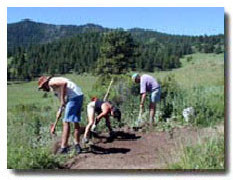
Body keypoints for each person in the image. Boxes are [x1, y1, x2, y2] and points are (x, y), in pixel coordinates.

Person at [38, 76, 83, 154]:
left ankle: (64, 147)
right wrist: (60, 111)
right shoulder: (54, 88)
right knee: (75, 121)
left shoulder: (51, 82)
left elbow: (64, 84)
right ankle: (77, 145)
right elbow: (63, 103)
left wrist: (62, 100)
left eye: (43, 87)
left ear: (45, 83)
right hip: (78, 95)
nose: (43, 90)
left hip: (73, 97)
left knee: (66, 122)